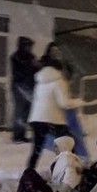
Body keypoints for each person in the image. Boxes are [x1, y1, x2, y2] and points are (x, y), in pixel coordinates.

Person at [27, 42, 79, 170]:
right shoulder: (59, 81)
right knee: (69, 143)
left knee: (37, 149)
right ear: (60, 69)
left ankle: (29, 171)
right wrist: (79, 101)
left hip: (37, 119)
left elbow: (37, 99)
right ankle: (73, 168)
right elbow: (64, 103)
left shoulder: (40, 80)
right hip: (53, 119)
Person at [7, 136, 83, 192]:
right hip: (53, 187)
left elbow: (71, 176)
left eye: (56, 146)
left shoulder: (68, 158)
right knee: (29, 175)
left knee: (29, 172)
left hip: (56, 191)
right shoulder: (63, 158)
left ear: (63, 146)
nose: (54, 149)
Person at [10, 36, 40, 144]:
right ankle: (17, 136)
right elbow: (20, 73)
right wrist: (31, 66)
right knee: (19, 111)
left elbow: (35, 71)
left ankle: (22, 135)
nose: (29, 48)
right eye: (28, 45)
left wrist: (37, 67)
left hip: (30, 87)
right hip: (19, 87)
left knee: (27, 112)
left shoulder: (31, 57)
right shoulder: (16, 57)